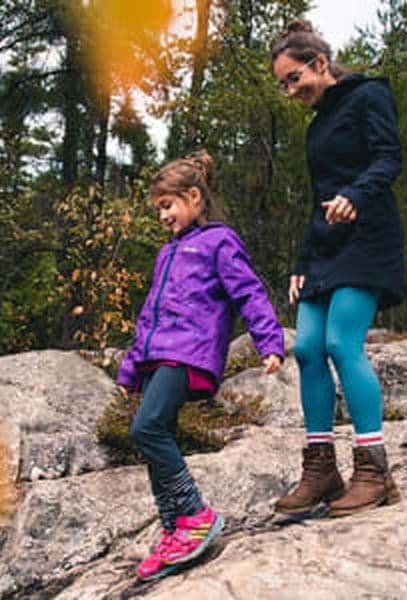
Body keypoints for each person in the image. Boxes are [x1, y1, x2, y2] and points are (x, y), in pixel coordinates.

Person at [118, 150, 285, 581]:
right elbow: (150, 314)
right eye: (159, 208)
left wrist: (270, 340)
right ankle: (175, 528)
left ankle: (194, 515)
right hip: (160, 355)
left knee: (146, 428)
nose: (162, 216)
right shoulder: (166, 254)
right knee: (157, 435)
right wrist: (130, 369)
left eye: (167, 205)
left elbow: (248, 292)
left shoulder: (219, 242)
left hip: (189, 353)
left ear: (194, 197)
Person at [270, 20, 403, 518]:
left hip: (368, 237)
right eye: (283, 84)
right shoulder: (317, 122)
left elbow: (390, 160)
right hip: (326, 247)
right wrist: (301, 262)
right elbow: (316, 198)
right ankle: (321, 468)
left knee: (340, 344)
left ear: (319, 64)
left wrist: (356, 195)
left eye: (293, 78)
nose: (290, 90)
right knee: (305, 348)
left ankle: (374, 470)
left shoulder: (369, 96)